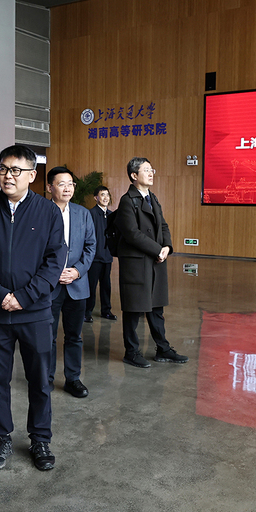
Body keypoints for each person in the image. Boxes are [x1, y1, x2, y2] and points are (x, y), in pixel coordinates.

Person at [0, 145, 64, 471]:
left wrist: (24, 297)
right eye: (3, 169)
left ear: (32, 175)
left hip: (35, 313)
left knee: (40, 380)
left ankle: (40, 439)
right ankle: (1, 437)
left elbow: (54, 261)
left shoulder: (48, 212)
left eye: (16, 170)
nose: (8, 175)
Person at [115, 157, 188, 369]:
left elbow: (163, 225)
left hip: (155, 260)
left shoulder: (152, 197)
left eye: (151, 169)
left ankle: (162, 348)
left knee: (156, 308)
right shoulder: (127, 200)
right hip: (137, 263)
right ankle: (131, 352)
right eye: (146, 170)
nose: (151, 173)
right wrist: (157, 249)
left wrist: (167, 247)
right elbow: (132, 233)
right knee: (134, 309)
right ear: (134, 175)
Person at [45, 167, 95, 399]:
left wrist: (77, 271)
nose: (67, 188)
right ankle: (45, 378)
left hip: (77, 285)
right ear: (50, 188)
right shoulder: (41, 212)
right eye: (61, 184)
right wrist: (52, 273)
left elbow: (91, 246)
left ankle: (73, 379)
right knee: (48, 336)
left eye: (71, 184)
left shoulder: (83, 213)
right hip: (49, 286)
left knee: (74, 336)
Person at [85, 185, 117, 323]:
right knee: (91, 286)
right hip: (94, 258)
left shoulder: (111, 215)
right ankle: (87, 312)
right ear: (96, 198)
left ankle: (106, 311)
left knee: (106, 286)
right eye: (102, 195)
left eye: (107, 195)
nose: (105, 198)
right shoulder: (91, 214)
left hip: (107, 256)